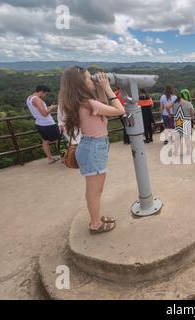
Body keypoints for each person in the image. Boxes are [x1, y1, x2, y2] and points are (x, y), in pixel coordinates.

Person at [59, 66, 125, 235]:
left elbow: (103, 113)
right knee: (95, 191)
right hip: (94, 148)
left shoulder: (81, 103)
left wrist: (101, 90)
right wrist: (108, 88)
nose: (92, 81)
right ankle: (95, 224)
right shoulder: (88, 104)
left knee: (93, 190)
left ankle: (96, 217)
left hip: (90, 146)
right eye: (89, 79)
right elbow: (120, 110)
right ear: (80, 83)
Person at [26, 85, 61, 164]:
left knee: (45, 141)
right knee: (59, 139)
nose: (45, 96)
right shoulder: (37, 100)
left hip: (39, 124)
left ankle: (50, 158)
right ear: (41, 91)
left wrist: (49, 108)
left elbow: (39, 111)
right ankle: (63, 157)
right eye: (45, 94)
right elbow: (44, 113)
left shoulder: (29, 98)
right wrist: (51, 108)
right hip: (48, 124)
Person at [172, 89, 195, 156]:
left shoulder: (175, 103)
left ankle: (176, 151)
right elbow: (192, 112)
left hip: (178, 122)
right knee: (187, 137)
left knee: (177, 137)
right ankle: (188, 151)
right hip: (186, 121)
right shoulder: (188, 103)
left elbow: (174, 111)